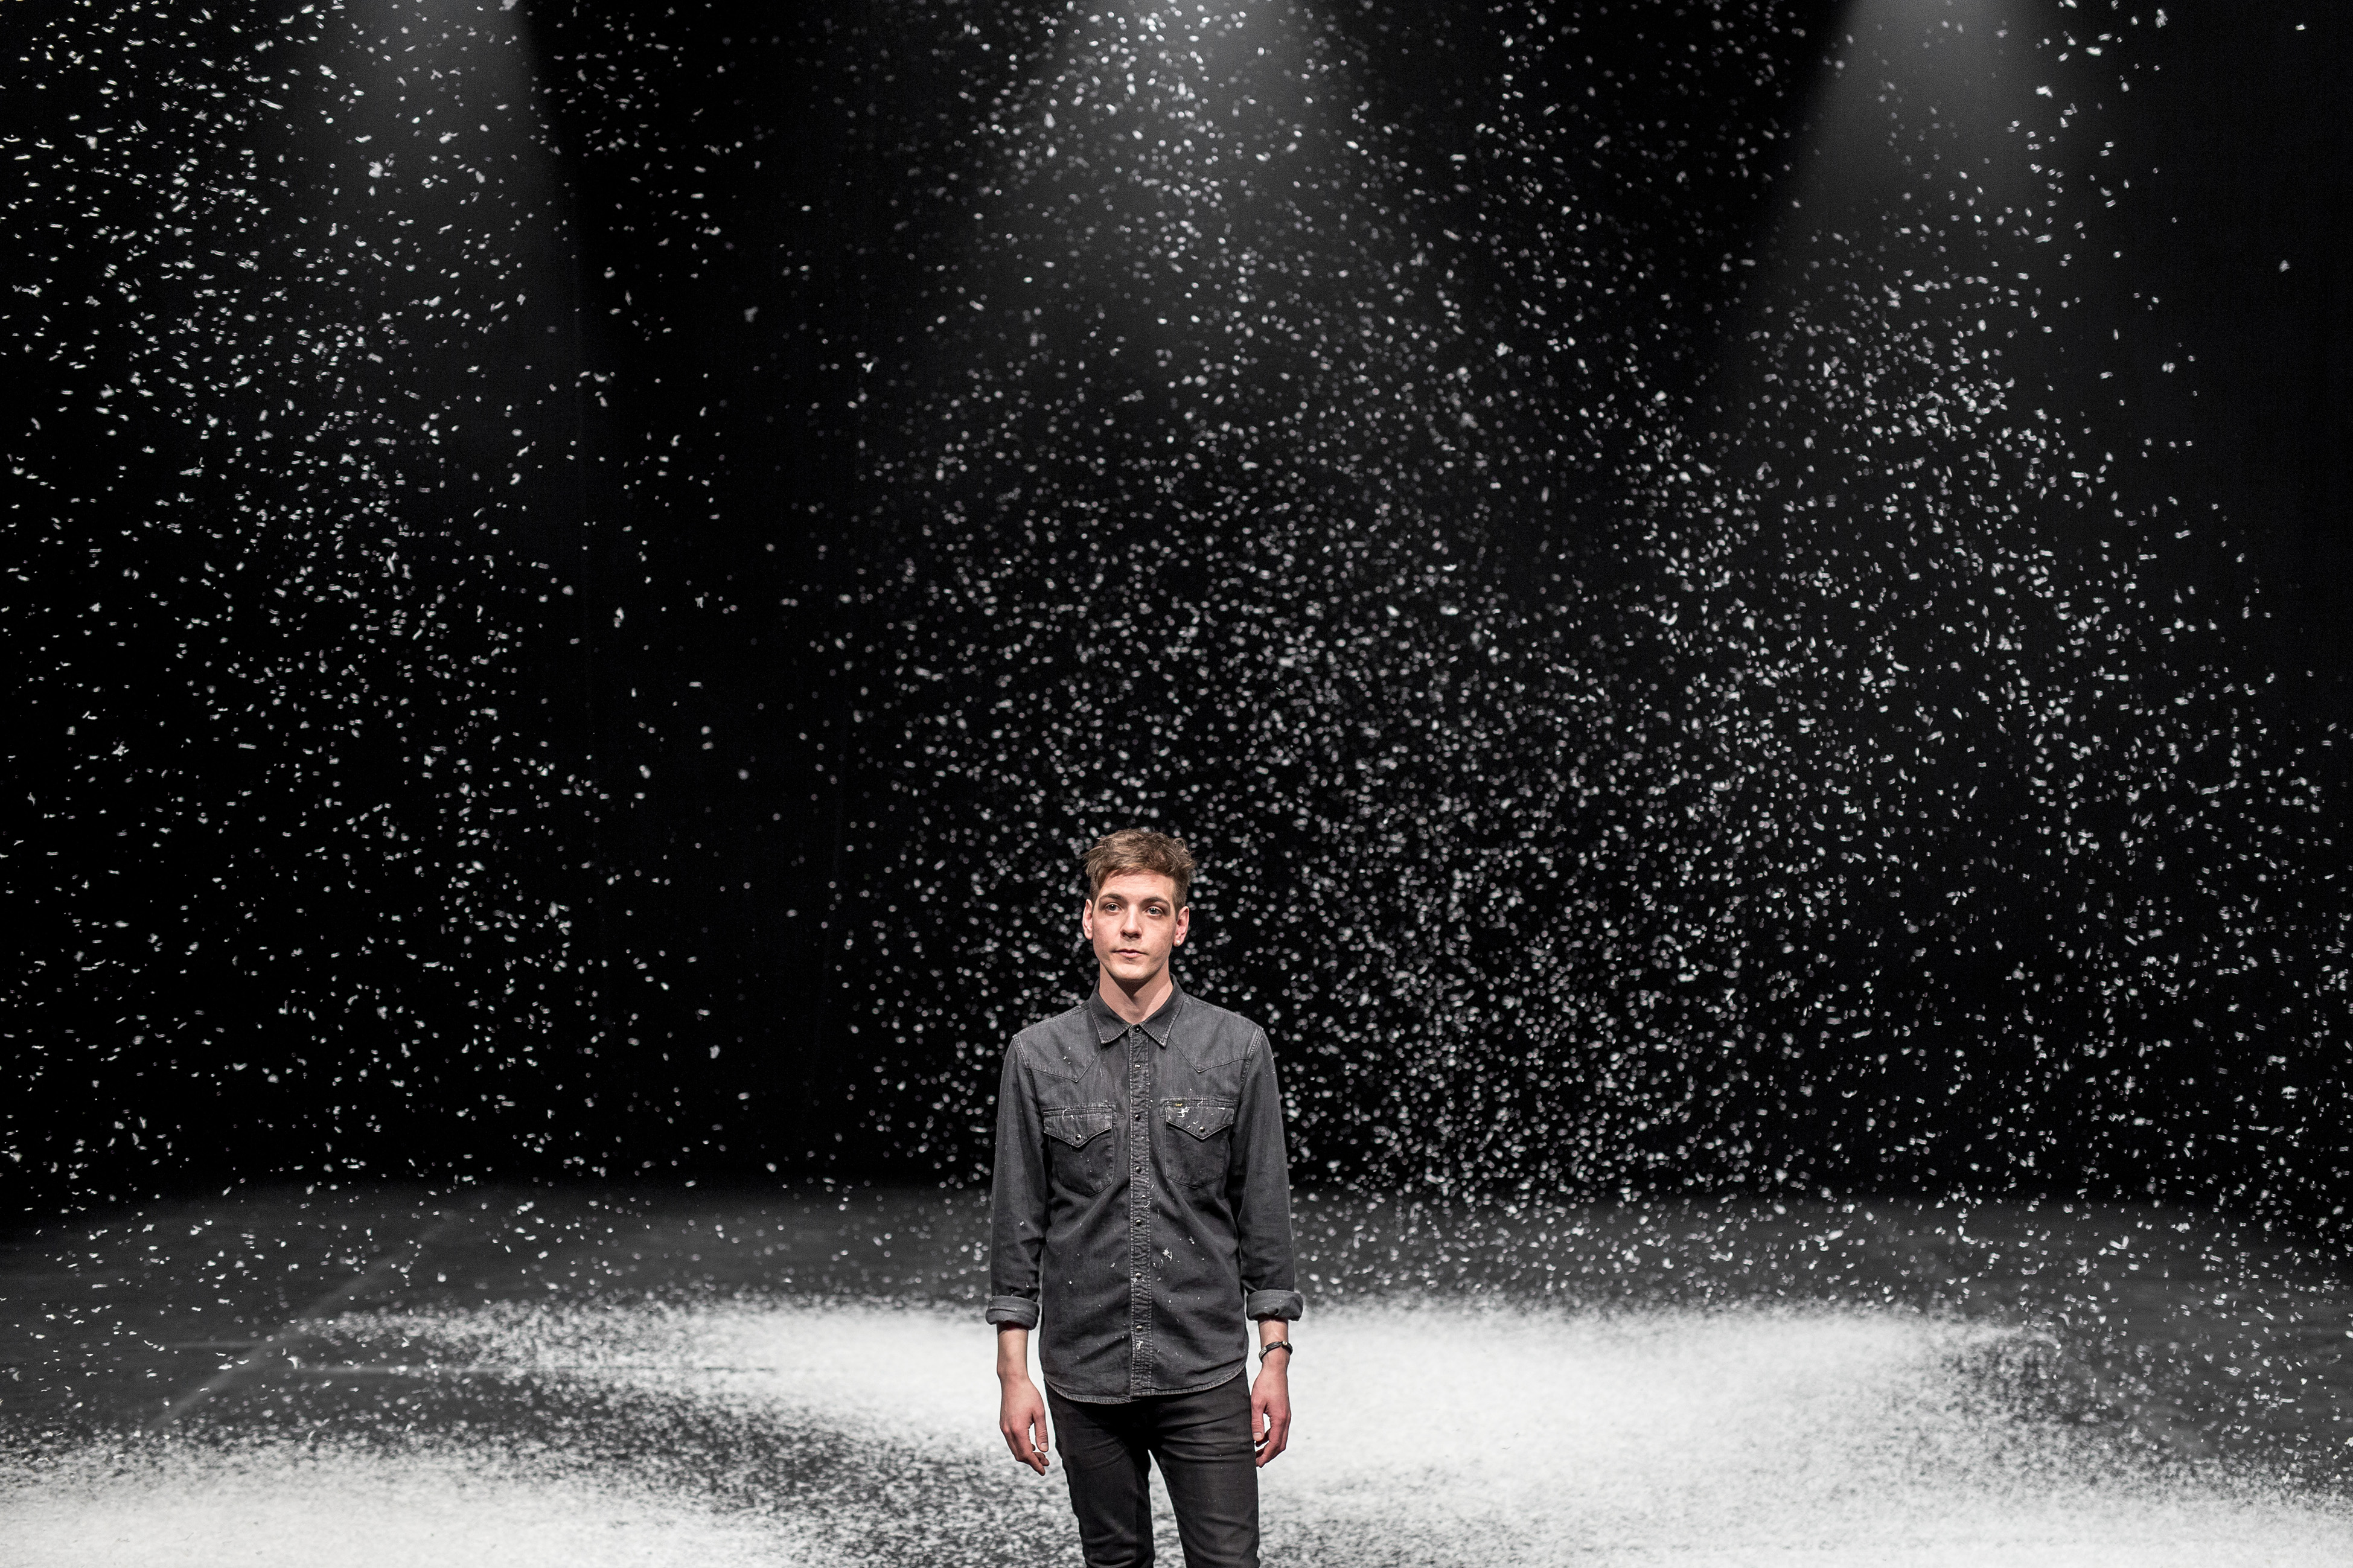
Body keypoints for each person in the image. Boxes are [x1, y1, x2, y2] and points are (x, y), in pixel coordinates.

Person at [987, 828, 1302, 1568]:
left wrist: (1275, 1359)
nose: (1131, 926)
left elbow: (1263, 1213)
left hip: (1204, 1371)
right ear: (1087, 919)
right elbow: (1018, 1223)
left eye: (1152, 909)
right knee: (1115, 1562)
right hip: (1084, 1374)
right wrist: (1012, 1374)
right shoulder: (1037, 1054)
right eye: (1114, 906)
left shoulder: (1237, 1046)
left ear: (1180, 925)